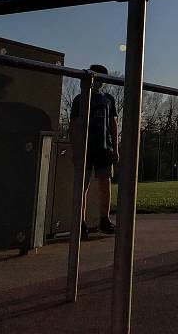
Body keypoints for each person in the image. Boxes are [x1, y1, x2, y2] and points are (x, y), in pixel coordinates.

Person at [70, 64, 118, 240]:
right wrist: (75, 149)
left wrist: (116, 149)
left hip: (104, 148)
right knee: (83, 187)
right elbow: (74, 126)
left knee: (105, 185)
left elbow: (113, 124)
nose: (100, 82)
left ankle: (104, 219)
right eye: (98, 78)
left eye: (104, 79)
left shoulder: (108, 99)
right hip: (86, 149)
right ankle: (80, 223)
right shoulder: (80, 98)